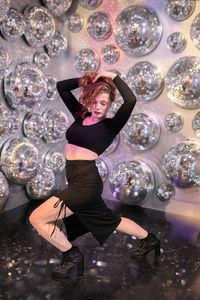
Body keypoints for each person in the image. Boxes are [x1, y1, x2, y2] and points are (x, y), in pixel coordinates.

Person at [29, 71, 160, 278]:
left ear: (110, 105)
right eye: (96, 102)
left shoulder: (110, 126)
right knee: (110, 220)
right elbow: (62, 87)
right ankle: (149, 239)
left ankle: (72, 255)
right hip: (76, 179)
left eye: (104, 103)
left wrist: (113, 77)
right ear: (90, 100)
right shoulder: (81, 114)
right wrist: (89, 81)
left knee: (37, 218)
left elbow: (131, 100)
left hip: (85, 183)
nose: (99, 107)